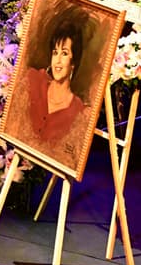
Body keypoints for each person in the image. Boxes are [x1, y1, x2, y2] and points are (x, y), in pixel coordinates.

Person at [9, 12, 93, 164]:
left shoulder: (78, 111)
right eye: (55, 52)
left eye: (65, 53)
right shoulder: (34, 80)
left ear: (73, 62)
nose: (58, 60)